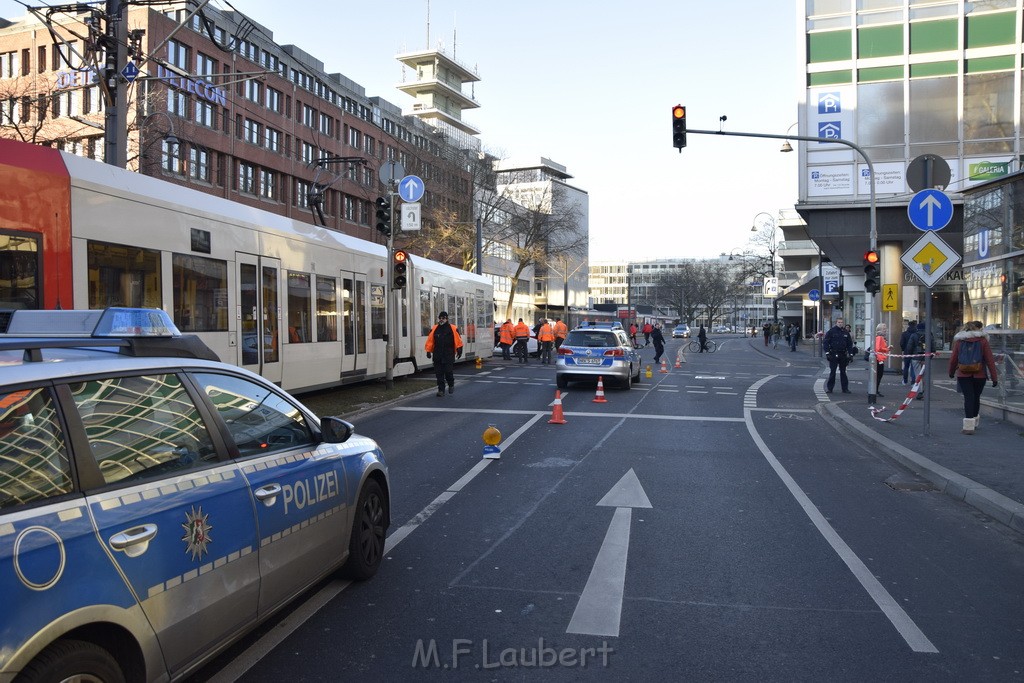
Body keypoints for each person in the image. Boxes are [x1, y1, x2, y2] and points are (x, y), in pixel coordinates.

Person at [948, 320, 999, 435]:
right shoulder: (983, 341)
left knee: (968, 397)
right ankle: (974, 421)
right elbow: (990, 360)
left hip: (963, 373)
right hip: (979, 374)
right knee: (976, 397)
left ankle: (968, 427)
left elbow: (953, 359)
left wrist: (951, 372)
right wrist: (994, 377)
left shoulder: (960, 341)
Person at [424, 311, 462, 397]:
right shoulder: (434, 329)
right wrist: (428, 351)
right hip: (437, 355)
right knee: (439, 374)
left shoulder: (453, 328)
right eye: (440, 318)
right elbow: (430, 341)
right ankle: (441, 390)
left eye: (443, 318)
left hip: (448, 355)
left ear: (447, 319)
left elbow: (458, 340)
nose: (441, 320)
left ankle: (451, 384)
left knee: (448, 372)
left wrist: (459, 349)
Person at [822, 316, 853, 393]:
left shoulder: (845, 332)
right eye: (839, 322)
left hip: (843, 354)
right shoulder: (831, 331)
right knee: (833, 371)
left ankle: (845, 389)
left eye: (841, 322)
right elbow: (825, 342)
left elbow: (849, 344)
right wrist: (827, 353)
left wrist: (851, 354)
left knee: (843, 372)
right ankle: (830, 388)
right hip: (834, 353)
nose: (840, 324)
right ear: (836, 323)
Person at [873, 323, 890, 396]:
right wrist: (887, 349)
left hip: (879, 358)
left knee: (878, 375)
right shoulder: (880, 337)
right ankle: (875, 390)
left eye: (885, 328)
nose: (885, 330)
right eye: (884, 329)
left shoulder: (880, 337)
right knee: (879, 375)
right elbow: (878, 348)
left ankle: (875, 390)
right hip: (879, 358)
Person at [899, 320, 917, 385]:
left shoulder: (904, 334)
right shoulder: (916, 334)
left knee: (906, 366)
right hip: (915, 353)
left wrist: (904, 349)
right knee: (913, 367)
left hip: (907, 352)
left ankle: (905, 380)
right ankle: (913, 381)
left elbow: (901, 343)